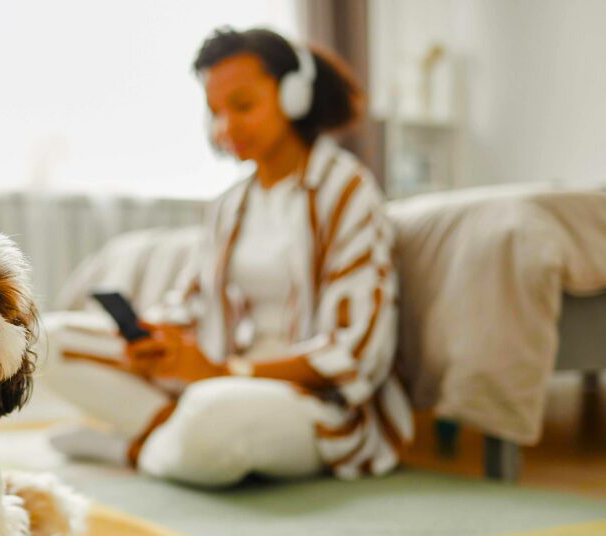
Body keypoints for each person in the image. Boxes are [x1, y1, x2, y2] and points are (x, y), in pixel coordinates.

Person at [40, 27, 413, 487]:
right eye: (216, 112)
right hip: (215, 381)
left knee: (211, 419)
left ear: (294, 97)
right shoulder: (229, 206)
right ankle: (171, 434)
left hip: (308, 403)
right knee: (45, 340)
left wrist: (227, 371)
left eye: (243, 105)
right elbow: (193, 301)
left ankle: (133, 448)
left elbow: (357, 353)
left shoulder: (348, 192)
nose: (226, 127)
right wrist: (161, 337)